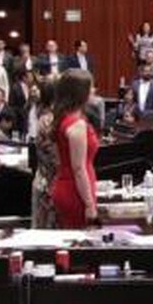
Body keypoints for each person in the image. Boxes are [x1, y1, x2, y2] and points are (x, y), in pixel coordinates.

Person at [51, 70, 99, 228]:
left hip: (67, 184)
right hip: (75, 191)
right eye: (91, 87)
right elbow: (78, 168)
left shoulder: (63, 118)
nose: (94, 91)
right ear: (81, 93)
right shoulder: (77, 125)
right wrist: (89, 205)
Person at [28, 80, 58, 228]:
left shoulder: (43, 115)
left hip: (42, 180)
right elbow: (54, 160)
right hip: (49, 184)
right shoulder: (49, 121)